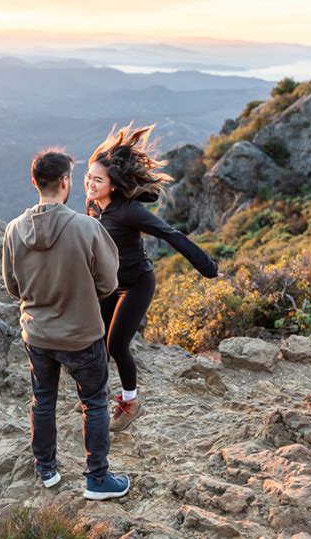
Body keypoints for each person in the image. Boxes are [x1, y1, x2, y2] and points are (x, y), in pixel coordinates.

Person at [2, 148, 130, 500]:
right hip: (81, 335)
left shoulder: (13, 230)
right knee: (94, 402)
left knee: (42, 400)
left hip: (38, 334)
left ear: (34, 182)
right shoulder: (86, 228)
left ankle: (46, 469)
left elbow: (13, 286)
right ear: (64, 182)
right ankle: (97, 479)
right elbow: (108, 284)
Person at [84, 124, 219, 432]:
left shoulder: (130, 212)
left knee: (117, 345)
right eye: (89, 177)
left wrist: (208, 268)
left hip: (137, 284)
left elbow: (171, 235)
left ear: (114, 185)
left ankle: (130, 402)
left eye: (98, 179)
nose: (90, 183)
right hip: (109, 284)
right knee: (96, 341)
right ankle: (96, 397)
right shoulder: (93, 206)